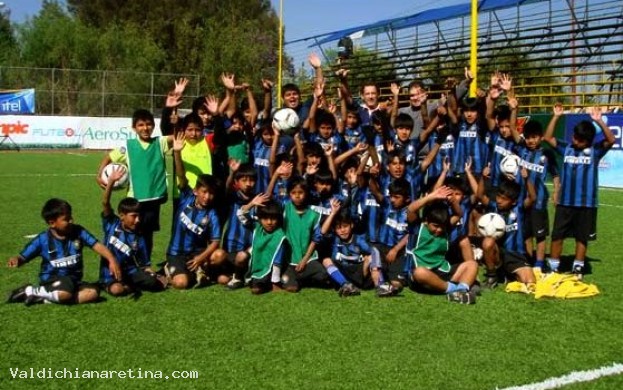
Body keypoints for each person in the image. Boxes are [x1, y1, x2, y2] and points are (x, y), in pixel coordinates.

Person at [544, 105, 615, 277]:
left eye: (580, 139)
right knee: (557, 235)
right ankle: (554, 266)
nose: (575, 140)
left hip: (586, 203)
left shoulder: (595, 151)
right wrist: (556, 117)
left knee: (581, 237)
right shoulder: (566, 148)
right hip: (565, 202)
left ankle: (578, 266)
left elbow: (611, 140)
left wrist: (599, 121)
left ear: (588, 140)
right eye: (575, 136)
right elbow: (548, 137)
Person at [7, 198, 121, 305]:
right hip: (51, 281)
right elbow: (23, 257)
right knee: (65, 292)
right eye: (66, 219)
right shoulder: (42, 240)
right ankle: (29, 290)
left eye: (71, 216)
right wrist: (17, 260)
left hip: (73, 281)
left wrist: (111, 259)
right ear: (52, 223)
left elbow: (97, 245)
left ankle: (43, 298)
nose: (71, 220)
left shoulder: (78, 231)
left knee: (93, 293)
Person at [96, 109, 173, 258]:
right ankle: (130, 262)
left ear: (153, 126)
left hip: (153, 198)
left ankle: (146, 264)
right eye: (141, 125)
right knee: (132, 232)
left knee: (148, 235)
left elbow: (177, 137)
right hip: (135, 199)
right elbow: (109, 157)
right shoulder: (128, 146)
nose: (145, 128)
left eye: (149, 124)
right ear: (134, 128)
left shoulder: (160, 142)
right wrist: (99, 175)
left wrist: (170, 114)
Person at [165, 133, 229, 289]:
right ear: (196, 191)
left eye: (211, 193)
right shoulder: (186, 198)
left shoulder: (212, 213)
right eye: (204, 192)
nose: (207, 197)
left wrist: (200, 258)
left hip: (197, 253)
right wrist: (177, 153)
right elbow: (181, 175)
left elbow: (215, 242)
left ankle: (200, 270)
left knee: (220, 255)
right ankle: (170, 271)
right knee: (182, 284)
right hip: (177, 253)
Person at [100, 167, 167, 296]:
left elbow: (144, 264)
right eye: (134, 216)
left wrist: (151, 273)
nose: (137, 220)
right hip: (110, 273)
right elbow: (105, 203)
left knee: (153, 282)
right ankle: (122, 286)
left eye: (139, 216)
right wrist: (111, 182)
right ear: (121, 215)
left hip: (131, 272)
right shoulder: (111, 224)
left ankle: (130, 285)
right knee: (116, 290)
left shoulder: (139, 236)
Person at [405, 187, 479, 304]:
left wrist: (453, 201)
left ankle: (460, 290)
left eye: (441, 226)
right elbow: (410, 210)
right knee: (419, 272)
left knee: (472, 264)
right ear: (426, 220)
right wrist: (431, 196)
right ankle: (454, 290)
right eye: (435, 225)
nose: (439, 230)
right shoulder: (417, 228)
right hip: (423, 277)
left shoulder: (445, 228)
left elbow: (459, 214)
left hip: (442, 272)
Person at [509, 99, 559, 270]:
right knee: (526, 232)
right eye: (528, 137)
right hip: (522, 198)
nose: (530, 141)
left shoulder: (546, 154)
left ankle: (539, 263)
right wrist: (514, 109)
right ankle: (529, 259)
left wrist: (556, 192)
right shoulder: (521, 148)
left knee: (540, 233)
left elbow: (556, 175)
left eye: (534, 137)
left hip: (539, 201)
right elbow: (514, 130)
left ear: (540, 137)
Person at [321, 204, 397, 297]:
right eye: (338, 228)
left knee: (372, 255)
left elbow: (374, 251)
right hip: (344, 273)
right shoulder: (334, 239)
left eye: (345, 226)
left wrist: (369, 263)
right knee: (326, 260)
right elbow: (323, 232)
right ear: (334, 229)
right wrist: (333, 213)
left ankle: (380, 285)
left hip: (360, 273)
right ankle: (346, 285)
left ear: (351, 225)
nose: (342, 230)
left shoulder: (359, 240)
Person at [476, 175, 537, 289]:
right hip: (499, 254)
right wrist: (483, 178)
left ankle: (506, 276)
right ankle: (492, 277)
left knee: (530, 282)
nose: (499, 201)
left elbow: (533, 198)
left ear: (513, 202)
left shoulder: (519, 209)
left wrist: (526, 179)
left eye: (504, 199)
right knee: (488, 242)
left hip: (517, 255)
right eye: (498, 196)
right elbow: (480, 195)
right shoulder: (493, 207)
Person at [222, 161, 259, 289]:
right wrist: (232, 173)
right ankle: (239, 276)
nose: (248, 184)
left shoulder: (258, 199)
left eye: (252, 180)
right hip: (231, 249)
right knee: (222, 279)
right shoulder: (232, 198)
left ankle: (239, 277)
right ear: (237, 182)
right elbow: (227, 188)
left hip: (249, 250)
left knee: (244, 258)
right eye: (244, 180)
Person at [245, 199, 291, 294]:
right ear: (260, 218)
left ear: (278, 219)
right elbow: (241, 215)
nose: (269, 222)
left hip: (276, 269)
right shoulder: (257, 228)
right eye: (265, 218)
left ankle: (272, 282)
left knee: (286, 281)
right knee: (256, 288)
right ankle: (252, 281)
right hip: (256, 267)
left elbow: (277, 261)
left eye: (273, 218)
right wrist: (252, 204)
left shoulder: (280, 235)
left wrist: (275, 282)